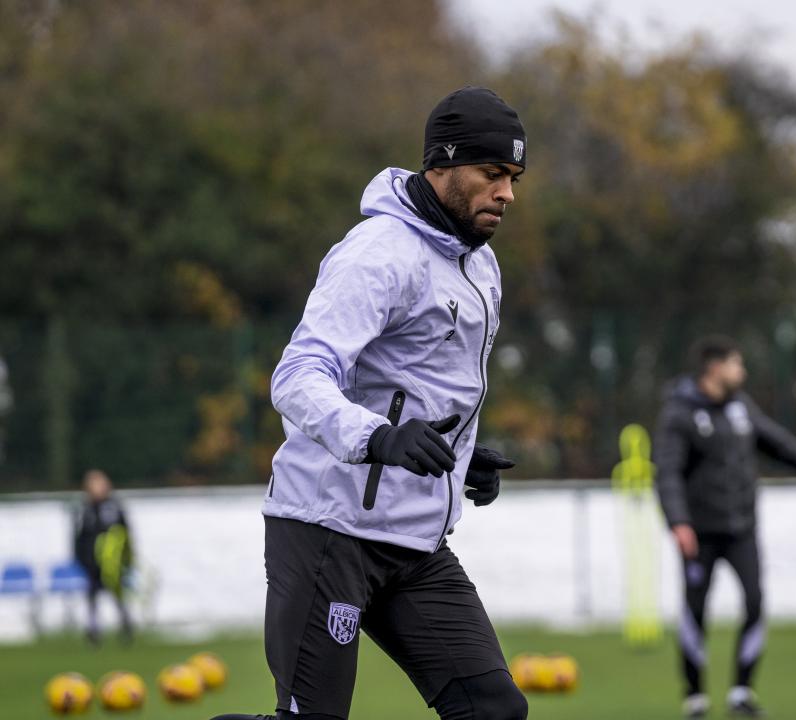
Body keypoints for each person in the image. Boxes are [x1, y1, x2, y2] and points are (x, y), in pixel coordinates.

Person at [212, 87, 528, 720]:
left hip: (414, 541)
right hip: (328, 528)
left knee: (494, 711)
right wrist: (379, 438)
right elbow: (297, 376)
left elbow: (418, 384)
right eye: (492, 173)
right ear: (442, 163)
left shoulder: (482, 265)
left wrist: (457, 456)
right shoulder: (377, 252)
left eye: (514, 178)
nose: (507, 194)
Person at [653, 335, 796, 718]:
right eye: (737, 364)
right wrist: (679, 522)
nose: (742, 372)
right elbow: (667, 473)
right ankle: (695, 696)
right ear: (715, 367)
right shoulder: (679, 414)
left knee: (754, 603)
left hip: (741, 530)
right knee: (695, 611)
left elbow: (782, 446)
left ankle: (741, 692)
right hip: (698, 533)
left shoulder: (741, 408)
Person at [73, 468, 134, 644]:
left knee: (117, 594)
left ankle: (126, 626)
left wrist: (126, 558)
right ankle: (93, 630)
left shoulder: (114, 507)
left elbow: (125, 533)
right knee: (92, 596)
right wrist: (82, 559)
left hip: (113, 562)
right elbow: (79, 537)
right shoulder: (84, 509)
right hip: (92, 562)